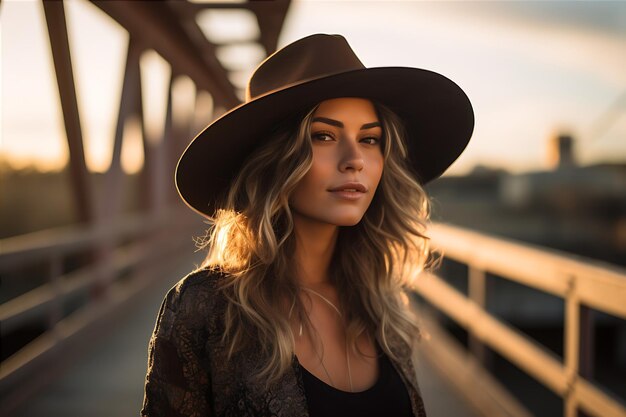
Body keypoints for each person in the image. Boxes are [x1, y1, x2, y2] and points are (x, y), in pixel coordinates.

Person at [141, 33, 473, 417]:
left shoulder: (383, 306)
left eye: (369, 139)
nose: (354, 160)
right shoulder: (204, 307)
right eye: (324, 136)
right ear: (274, 159)